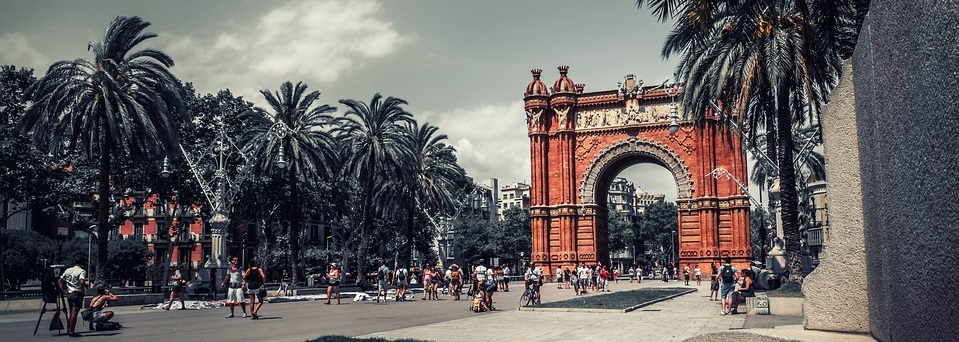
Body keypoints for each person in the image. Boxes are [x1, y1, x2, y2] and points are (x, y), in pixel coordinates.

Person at [58, 258, 86, 337]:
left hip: (69, 294)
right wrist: (82, 290)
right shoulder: (82, 271)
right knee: (74, 313)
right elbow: (82, 281)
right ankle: (72, 332)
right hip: (76, 293)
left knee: (71, 312)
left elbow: (59, 281)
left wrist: (63, 290)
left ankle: (69, 329)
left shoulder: (68, 270)